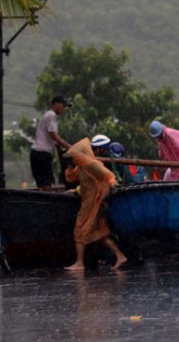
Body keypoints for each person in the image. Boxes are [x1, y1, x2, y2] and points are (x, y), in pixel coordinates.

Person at [63, 138, 127, 271]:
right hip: (90, 201)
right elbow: (71, 178)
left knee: (79, 229)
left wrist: (114, 186)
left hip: (95, 201)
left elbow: (108, 176)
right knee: (100, 232)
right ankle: (120, 256)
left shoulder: (92, 164)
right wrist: (69, 165)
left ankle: (79, 263)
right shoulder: (81, 166)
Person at [30, 95, 72, 191]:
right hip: (42, 153)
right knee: (47, 182)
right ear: (56, 104)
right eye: (63, 105)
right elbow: (52, 134)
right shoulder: (51, 115)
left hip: (36, 152)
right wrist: (67, 146)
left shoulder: (49, 116)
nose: (64, 108)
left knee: (42, 182)